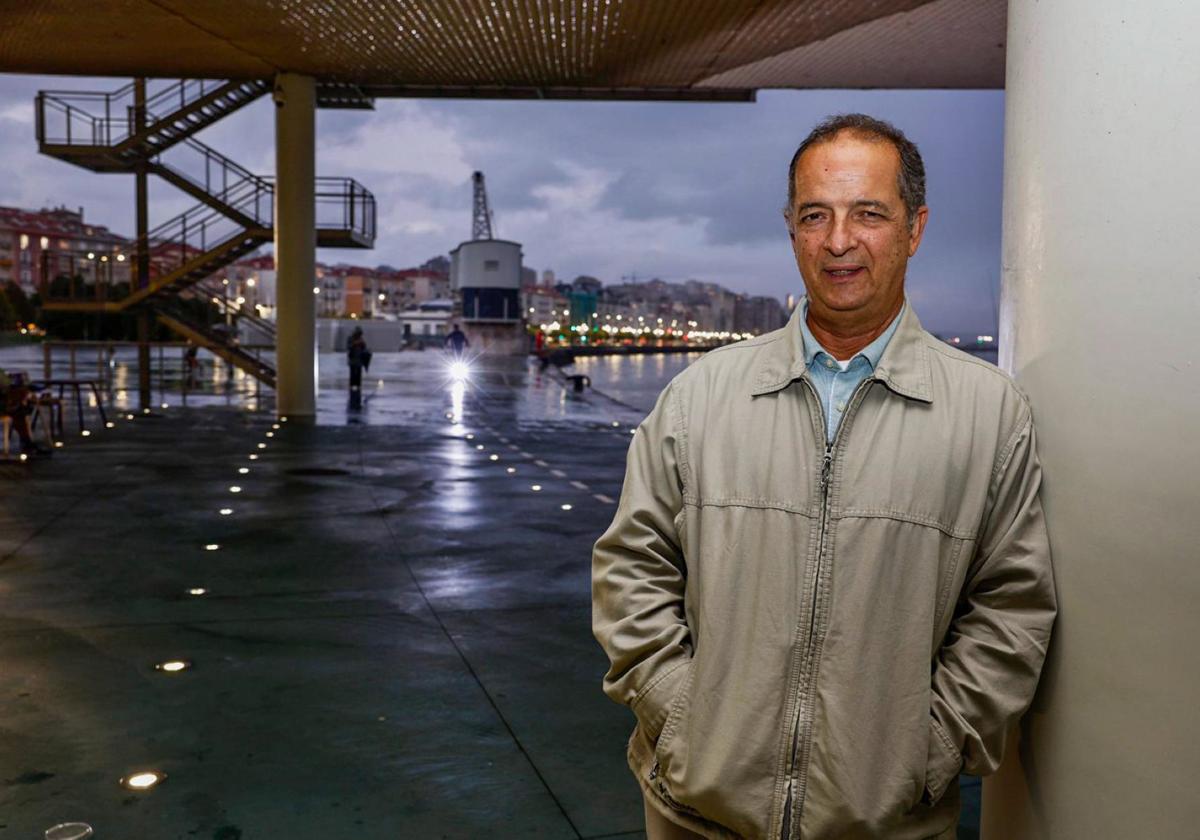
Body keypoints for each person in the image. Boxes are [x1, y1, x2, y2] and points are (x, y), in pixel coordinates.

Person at [593, 114, 1056, 840]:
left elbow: (1012, 611)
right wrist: (681, 715)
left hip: (888, 824)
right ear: (792, 229)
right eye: (817, 215)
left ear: (915, 228)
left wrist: (930, 750)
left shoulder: (990, 414)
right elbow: (631, 571)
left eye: (869, 214)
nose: (839, 241)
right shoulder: (700, 397)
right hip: (695, 815)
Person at [346, 327, 370, 396]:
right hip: (353, 358)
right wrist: (355, 343)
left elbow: (364, 347)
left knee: (359, 373)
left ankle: (358, 386)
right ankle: (352, 386)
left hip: (359, 358)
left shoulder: (361, 339)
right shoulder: (350, 338)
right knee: (353, 373)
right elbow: (348, 347)